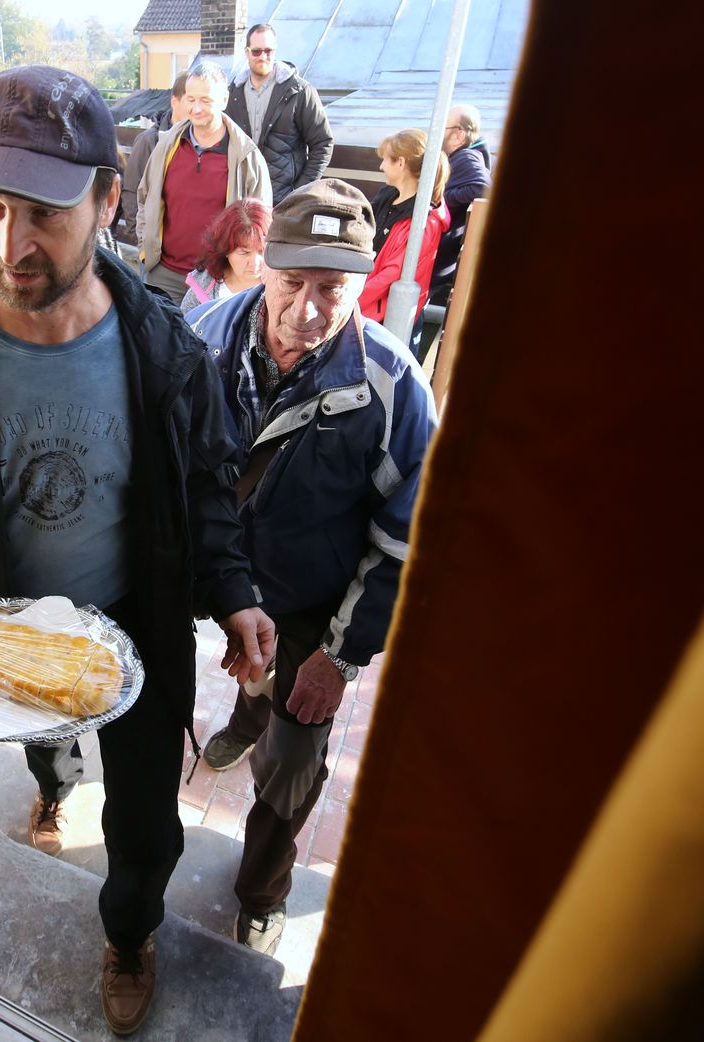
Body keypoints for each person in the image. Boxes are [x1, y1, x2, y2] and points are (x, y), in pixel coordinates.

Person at [0, 64, 275, 1036]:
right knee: (45, 751)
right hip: (8, 624)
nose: (11, 243)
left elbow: (206, 488)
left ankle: (129, 930)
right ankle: (51, 785)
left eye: (43, 212)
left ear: (107, 201)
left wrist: (233, 589)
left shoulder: (167, 353)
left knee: (145, 818)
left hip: (136, 622)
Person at [189, 178, 438, 956]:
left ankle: (261, 891)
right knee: (249, 678)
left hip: (310, 604)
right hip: (219, 572)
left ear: (362, 283)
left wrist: (340, 657)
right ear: (261, 264)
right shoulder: (203, 337)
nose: (306, 308)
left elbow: (406, 538)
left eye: (331, 287)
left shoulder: (392, 386)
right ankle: (245, 719)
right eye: (292, 280)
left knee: (294, 761)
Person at [137, 59, 271, 300]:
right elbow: (144, 198)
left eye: (205, 100)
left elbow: (260, 225)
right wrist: (145, 248)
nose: (196, 108)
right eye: (191, 99)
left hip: (217, 281)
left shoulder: (247, 157)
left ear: (224, 100)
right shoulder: (166, 146)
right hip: (164, 275)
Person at [223, 23, 334, 201]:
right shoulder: (232, 93)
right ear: (246, 52)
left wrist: (299, 193)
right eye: (256, 51)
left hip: (284, 202)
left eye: (268, 51)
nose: (263, 57)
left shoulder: (299, 91)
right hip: (243, 200)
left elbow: (323, 144)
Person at [359, 129, 450, 328]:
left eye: (385, 159)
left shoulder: (423, 222)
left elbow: (390, 276)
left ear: (400, 163)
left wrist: (350, 297)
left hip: (384, 318)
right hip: (367, 306)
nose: (381, 166)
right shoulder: (388, 196)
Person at [429, 103, 493, 307]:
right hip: (441, 256)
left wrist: (442, 199)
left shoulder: (466, 157)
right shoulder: (462, 156)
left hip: (439, 256)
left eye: (443, 127)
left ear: (458, 135)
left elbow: (483, 188)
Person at [114, 73, 189, 247]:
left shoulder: (201, 143)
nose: (197, 108)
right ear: (175, 102)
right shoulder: (149, 141)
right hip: (155, 246)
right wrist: (141, 242)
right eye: (190, 100)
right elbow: (132, 191)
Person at [179, 197, 269, 314]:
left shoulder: (281, 287)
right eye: (245, 253)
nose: (255, 262)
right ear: (225, 249)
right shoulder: (203, 287)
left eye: (261, 251)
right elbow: (184, 323)